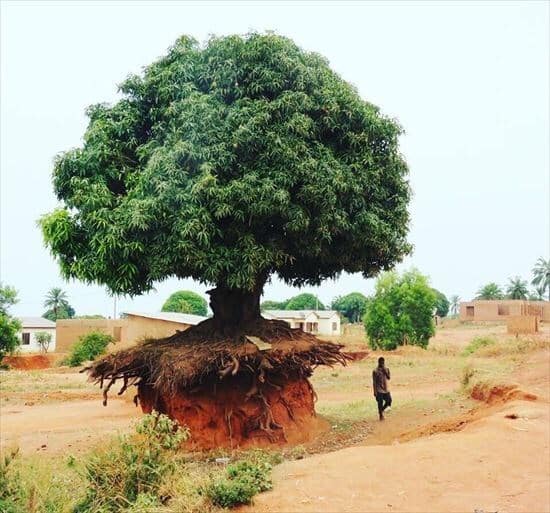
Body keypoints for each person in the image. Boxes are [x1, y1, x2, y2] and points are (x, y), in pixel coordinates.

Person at [372, 356, 392, 421]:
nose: (382, 364)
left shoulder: (387, 369)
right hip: (379, 390)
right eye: (381, 363)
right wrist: (375, 391)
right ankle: (381, 415)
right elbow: (374, 382)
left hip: (386, 389)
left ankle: (381, 410)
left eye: (383, 363)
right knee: (380, 403)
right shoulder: (375, 371)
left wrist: (385, 371)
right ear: (378, 362)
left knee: (389, 400)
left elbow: (389, 377)